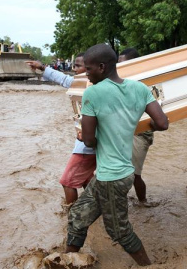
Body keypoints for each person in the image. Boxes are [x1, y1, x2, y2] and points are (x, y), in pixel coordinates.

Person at [66, 43, 168, 266]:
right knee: (77, 217)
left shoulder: (92, 93)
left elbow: (90, 141)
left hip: (111, 176)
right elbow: (162, 123)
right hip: (119, 172)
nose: (86, 74)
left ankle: (147, 265)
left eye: (89, 69)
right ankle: (66, 261)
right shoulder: (139, 88)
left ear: (102, 67)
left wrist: (84, 136)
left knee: (119, 231)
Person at [26, 54, 96, 206]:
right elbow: (64, 80)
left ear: (90, 68)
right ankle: (97, 208)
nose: (74, 69)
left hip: (86, 146)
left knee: (67, 182)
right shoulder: (83, 84)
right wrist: (42, 67)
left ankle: (72, 217)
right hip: (91, 144)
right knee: (86, 179)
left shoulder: (93, 87)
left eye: (78, 66)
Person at [118, 47, 158, 206]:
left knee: (134, 173)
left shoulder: (143, 84)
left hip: (141, 133)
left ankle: (143, 201)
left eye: (122, 63)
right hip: (126, 132)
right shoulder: (123, 82)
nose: (119, 67)